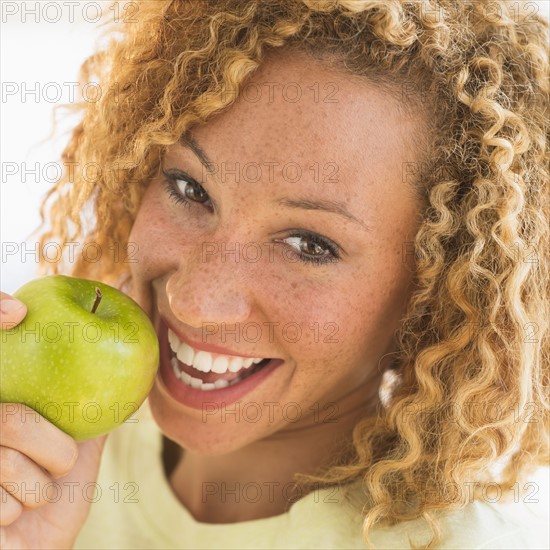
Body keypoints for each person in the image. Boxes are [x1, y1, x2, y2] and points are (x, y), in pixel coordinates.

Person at [1, 0, 548, 548]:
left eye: (310, 245)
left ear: (439, 294)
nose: (195, 300)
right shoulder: (40, 456)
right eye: (191, 190)